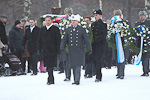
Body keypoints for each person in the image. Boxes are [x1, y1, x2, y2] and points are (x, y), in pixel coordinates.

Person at [60, 14, 92, 85]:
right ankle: (75, 79)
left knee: (77, 65)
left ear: (78, 21)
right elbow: (64, 39)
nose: (73, 22)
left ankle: (77, 80)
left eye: (74, 21)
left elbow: (87, 40)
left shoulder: (82, 29)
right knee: (72, 65)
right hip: (71, 50)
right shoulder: (68, 30)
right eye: (72, 21)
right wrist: (62, 47)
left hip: (79, 50)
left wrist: (89, 49)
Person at [37, 16, 61, 85]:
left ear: (51, 21)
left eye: (49, 20)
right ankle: (50, 77)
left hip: (53, 50)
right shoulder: (42, 29)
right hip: (45, 50)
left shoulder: (55, 29)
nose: (47, 22)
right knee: (47, 65)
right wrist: (39, 48)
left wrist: (58, 49)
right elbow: (39, 40)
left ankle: (50, 78)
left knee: (51, 65)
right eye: (46, 20)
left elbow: (58, 40)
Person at [91, 9, 107, 82]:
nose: (95, 16)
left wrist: (96, 40)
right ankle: (95, 73)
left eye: (96, 15)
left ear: (100, 16)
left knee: (98, 60)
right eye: (94, 15)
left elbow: (103, 35)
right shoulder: (93, 24)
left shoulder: (103, 24)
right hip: (94, 45)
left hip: (100, 45)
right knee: (94, 60)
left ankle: (98, 75)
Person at [135, 11, 150, 76]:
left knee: (146, 57)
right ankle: (145, 70)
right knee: (143, 57)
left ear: (145, 16)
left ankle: (146, 71)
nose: (141, 17)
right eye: (140, 16)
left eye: (143, 15)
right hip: (140, 43)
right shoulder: (137, 24)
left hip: (147, 42)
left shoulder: (148, 23)